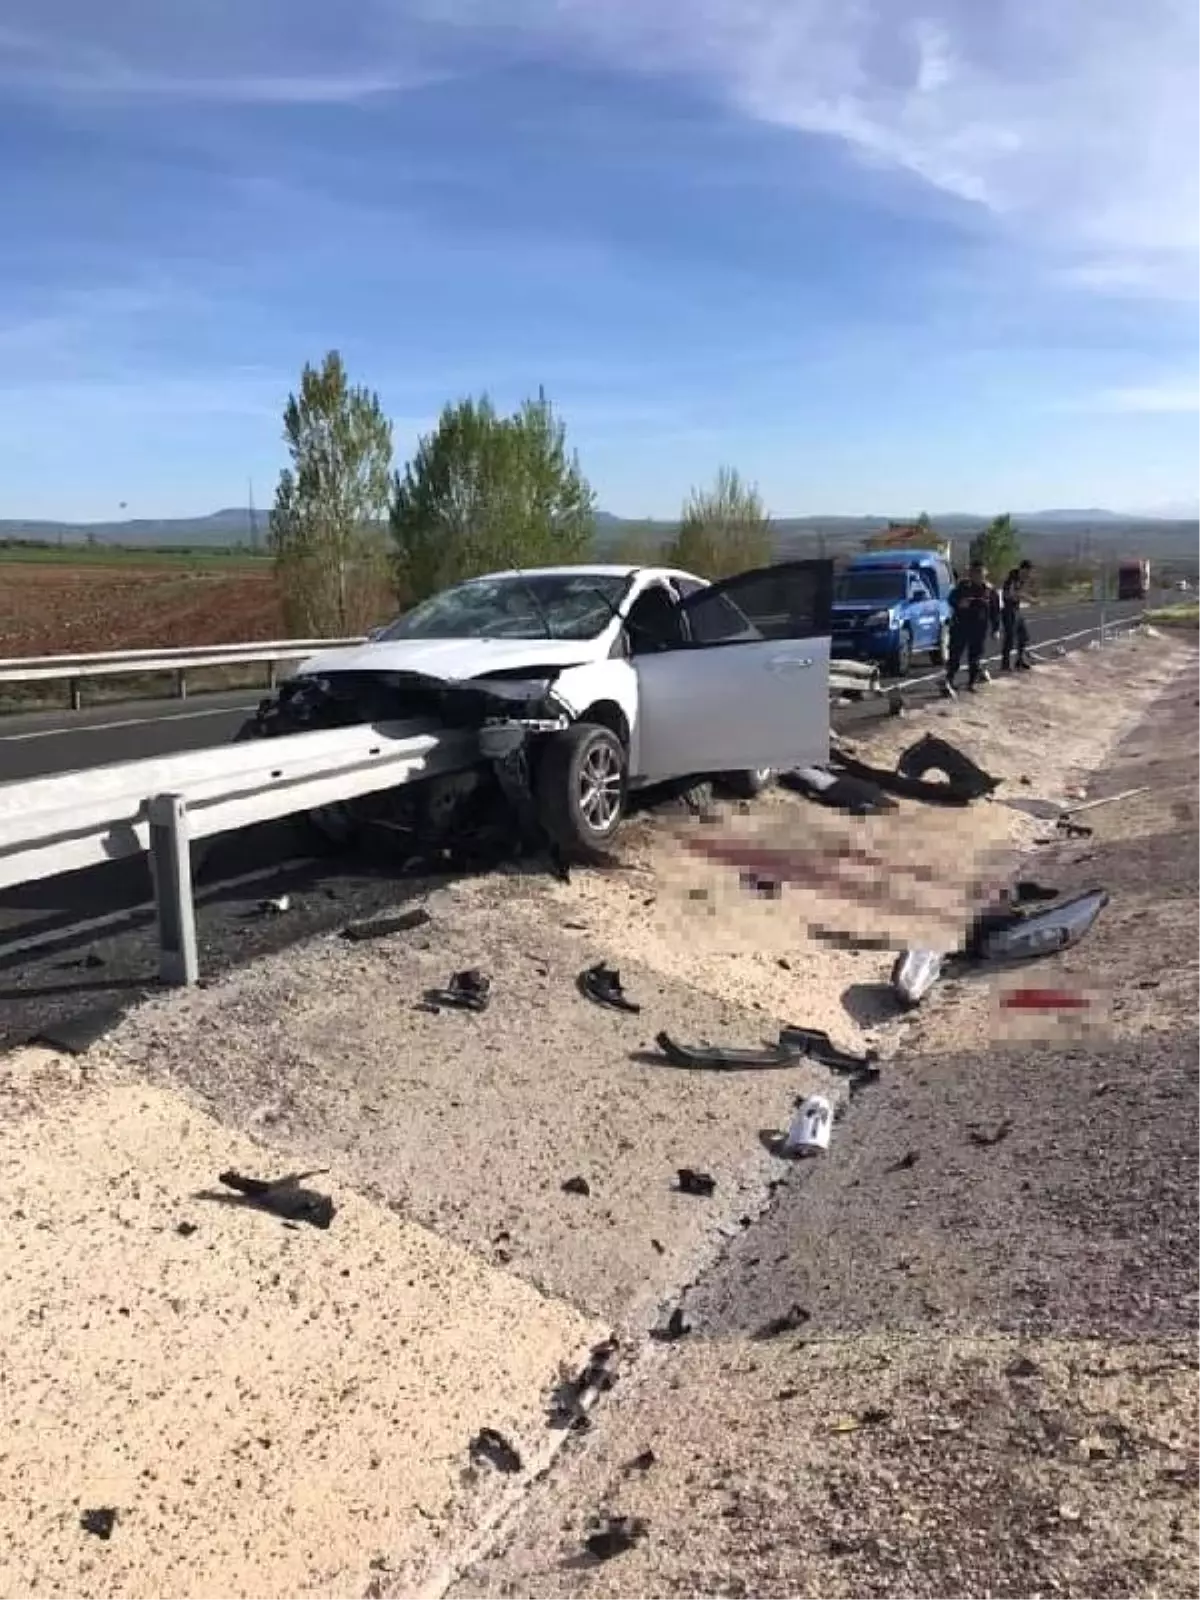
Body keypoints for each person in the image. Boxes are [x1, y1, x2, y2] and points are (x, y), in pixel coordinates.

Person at [942, 560, 1000, 697]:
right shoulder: (963, 586)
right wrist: (959, 603)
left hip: (979, 628)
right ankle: (949, 681)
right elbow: (951, 599)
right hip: (960, 626)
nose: (977, 575)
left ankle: (971, 683)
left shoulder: (990, 591)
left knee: (975, 657)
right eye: (974, 572)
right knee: (955, 655)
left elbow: (995, 611)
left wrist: (995, 629)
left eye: (980, 572)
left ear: (985, 573)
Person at [1001, 558, 1035, 670]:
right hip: (1009, 610)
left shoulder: (1021, 579)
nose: (1029, 574)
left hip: (1016, 609)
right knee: (1010, 638)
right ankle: (1005, 663)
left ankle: (1019, 660)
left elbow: (1019, 593)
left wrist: (1027, 598)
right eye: (1028, 571)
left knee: (1024, 636)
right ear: (1023, 569)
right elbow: (1009, 594)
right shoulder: (1012, 578)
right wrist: (1028, 599)